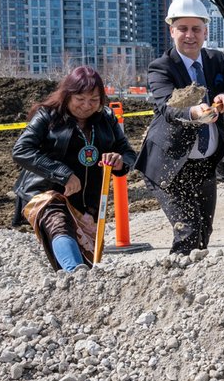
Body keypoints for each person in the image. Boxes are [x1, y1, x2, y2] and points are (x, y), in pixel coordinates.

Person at [134, 0, 224, 255]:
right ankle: (174, 282)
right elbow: (168, 107)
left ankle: (195, 283)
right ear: (172, 31)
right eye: (182, 29)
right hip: (169, 165)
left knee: (203, 233)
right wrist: (194, 112)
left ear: (205, 31)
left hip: (203, 164)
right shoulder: (161, 67)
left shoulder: (216, 60)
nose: (189, 35)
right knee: (188, 232)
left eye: (196, 29)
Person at [12, 66, 137, 272]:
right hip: (45, 192)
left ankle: (75, 278)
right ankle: (75, 273)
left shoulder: (106, 119)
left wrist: (120, 160)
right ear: (68, 95)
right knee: (58, 223)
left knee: (86, 255)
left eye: (94, 100)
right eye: (80, 99)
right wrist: (63, 174)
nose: (86, 106)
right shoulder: (47, 116)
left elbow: (128, 152)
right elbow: (21, 149)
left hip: (87, 201)